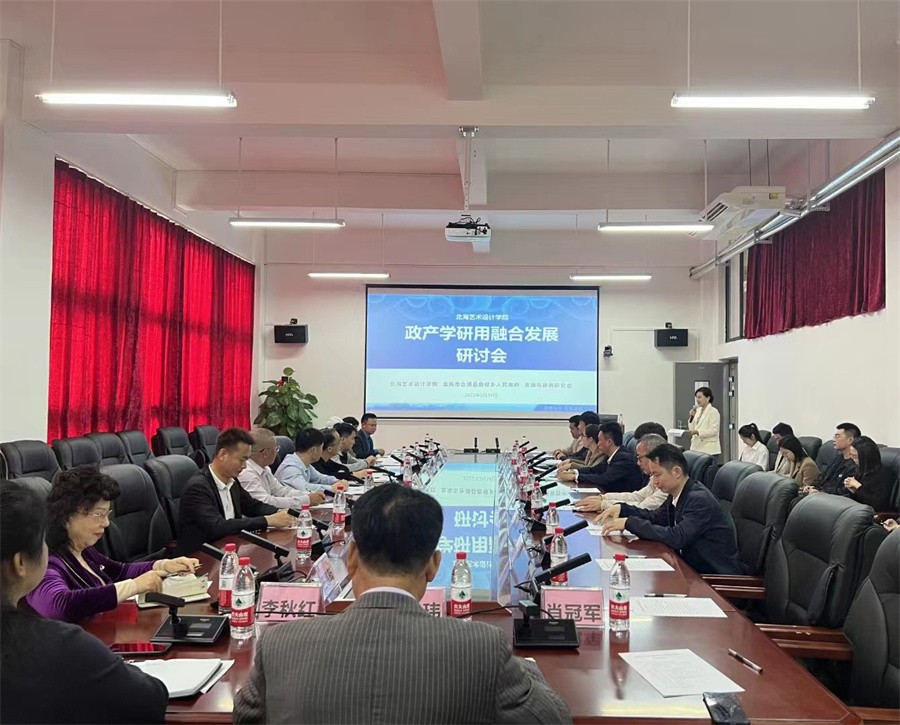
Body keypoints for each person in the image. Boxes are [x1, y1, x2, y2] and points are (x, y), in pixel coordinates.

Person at [233, 485, 572, 724]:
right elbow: (553, 719)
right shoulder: (482, 648)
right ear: (434, 566)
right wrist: (524, 667)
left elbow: (245, 717)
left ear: (351, 557)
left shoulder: (280, 644)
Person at [1, 480, 169, 723]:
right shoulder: (63, 647)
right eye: (41, 541)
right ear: (20, 563)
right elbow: (150, 699)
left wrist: (161, 565)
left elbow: (118, 570)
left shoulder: (85, 552)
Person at [26, 466, 199, 623]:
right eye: (98, 515)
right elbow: (59, 605)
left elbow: (121, 571)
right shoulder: (46, 561)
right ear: (67, 515)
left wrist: (165, 565)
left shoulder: (83, 551)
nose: (106, 523)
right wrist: (134, 586)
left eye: (107, 514)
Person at [600, 444, 743, 575]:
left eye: (657, 475)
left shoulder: (699, 500)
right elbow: (655, 517)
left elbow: (677, 537)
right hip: (690, 570)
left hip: (714, 578)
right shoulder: (678, 494)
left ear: (676, 472)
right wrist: (623, 509)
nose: (654, 481)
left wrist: (629, 523)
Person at [177, 428, 295, 556]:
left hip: (230, 549)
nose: (244, 466)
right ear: (223, 455)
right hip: (201, 557)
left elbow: (253, 506)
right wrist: (267, 520)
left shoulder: (232, 481)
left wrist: (279, 512)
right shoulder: (198, 487)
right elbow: (218, 526)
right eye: (242, 460)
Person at [575, 433, 668, 514]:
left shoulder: (667, 482)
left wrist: (605, 504)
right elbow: (637, 496)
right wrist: (604, 498)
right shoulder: (654, 477)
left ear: (655, 457)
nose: (638, 463)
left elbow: (643, 507)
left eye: (640, 458)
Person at [239, 428, 326, 508]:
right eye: (276, 448)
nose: (277, 453)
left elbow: (281, 491)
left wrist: (309, 495)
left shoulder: (265, 468)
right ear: (266, 453)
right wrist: (306, 500)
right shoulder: (247, 473)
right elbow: (265, 502)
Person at [557, 421, 643, 492]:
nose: (597, 444)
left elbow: (604, 479)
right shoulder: (612, 455)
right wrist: (575, 472)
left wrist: (575, 477)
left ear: (609, 442)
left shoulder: (623, 459)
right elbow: (595, 469)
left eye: (599, 440)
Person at [276, 427, 340, 493]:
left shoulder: (305, 464)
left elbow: (320, 478)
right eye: (321, 447)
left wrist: (336, 481)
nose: (322, 451)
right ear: (313, 450)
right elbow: (304, 488)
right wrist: (331, 488)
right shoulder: (291, 468)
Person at [806, 423, 860, 496]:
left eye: (837, 436)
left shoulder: (855, 464)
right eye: (834, 437)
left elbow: (843, 490)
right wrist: (812, 487)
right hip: (820, 494)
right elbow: (823, 477)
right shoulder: (838, 458)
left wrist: (820, 492)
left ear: (850, 440)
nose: (834, 440)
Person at [842, 436, 894, 511]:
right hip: (856, 510)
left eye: (854, 456)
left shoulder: (884, 475)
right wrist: (853, 491)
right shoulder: (861, 471)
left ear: (865, 457)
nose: (852, 458)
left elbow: (877, 504)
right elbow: (859, 499)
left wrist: (858, 486)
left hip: (873, 513)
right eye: (851, 455)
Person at [687, 387, 721, 457]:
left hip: (709, 449)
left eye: (699, 397)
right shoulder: (698, 410)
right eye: (696, 397)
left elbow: (713, 430)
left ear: (708, 398)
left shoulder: (713, 411)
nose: (697, 400)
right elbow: (692, 428)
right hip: (696, 448)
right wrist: (691, 417)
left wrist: (698, 432)